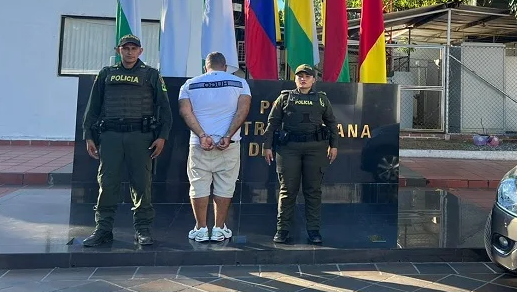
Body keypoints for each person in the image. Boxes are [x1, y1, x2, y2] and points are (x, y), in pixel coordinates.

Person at [82, 34, 173, 246]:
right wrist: (89, 136)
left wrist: (162, 137)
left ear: (140, 51)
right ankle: (103, 230)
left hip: (140, 137)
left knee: (142, 185)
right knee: (107, 184)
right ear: (118, 50)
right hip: (111, 136)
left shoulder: (151, 74)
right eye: (126, 48)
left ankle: (143, 230)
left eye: (134, 48)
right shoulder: (106, 74)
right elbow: (92, 108)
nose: (129, 52)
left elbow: (165, 110)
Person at [178, 52, 251, 242]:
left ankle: (201, 229)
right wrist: (227, 135)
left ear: (206, 67)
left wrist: (202, 135)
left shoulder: (190, 84)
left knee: (198, 186)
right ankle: (219, 228)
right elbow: (243, 110)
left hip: (199, 144)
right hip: (229, 144)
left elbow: (185, 112)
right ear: (225, 67)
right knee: (226, 186)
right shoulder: (240, 83)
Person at [264, 64, 338, 244]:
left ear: (314, 79)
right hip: (289, 149)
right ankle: (282, 230)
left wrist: (334, 145)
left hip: (316, 149)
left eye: (307, 76)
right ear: (295, 79)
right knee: (288, 190)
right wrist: (267, 146)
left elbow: (331, 123)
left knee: (313, 191)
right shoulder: (285, 98)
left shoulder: (322, 99)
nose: (303, 79)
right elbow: (272, 123)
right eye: (299, 76)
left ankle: (313, 230)